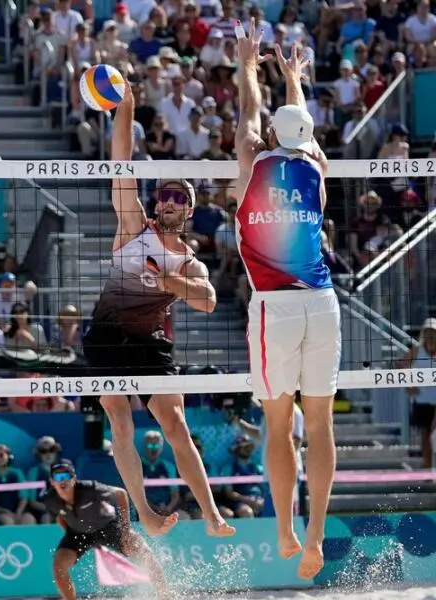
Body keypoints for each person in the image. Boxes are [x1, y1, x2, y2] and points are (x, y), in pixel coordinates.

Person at [81, 82, 234, 539]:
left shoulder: (189, 260)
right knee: (119, 416)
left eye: (179, 197)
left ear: (188, 210)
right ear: (156, 203)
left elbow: (208, 301)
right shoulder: (133, 229)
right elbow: (121, 164)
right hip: (107, 336)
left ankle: (210, 514)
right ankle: (145, 511)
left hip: (151, 342)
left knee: (175, 422)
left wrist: (169, 281)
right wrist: (124, 108)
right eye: (164, 195)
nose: (169, 201)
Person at [233, 21, 340, 580]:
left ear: (273, 137)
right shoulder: (316, 169)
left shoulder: (251, 162)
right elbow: (303, 132)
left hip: (273, 305)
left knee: (280, 426)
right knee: (319, 423)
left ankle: (284, 531)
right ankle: (317, 535)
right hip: (322, 300)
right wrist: (294, 79)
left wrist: (250, 65)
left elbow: (249, 116)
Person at [42, 460, 170, 600]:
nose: (62, 481)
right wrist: (70, 534)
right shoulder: (50, 500)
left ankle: (165, 595)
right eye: (58, 477)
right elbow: (59, 517)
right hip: (78, 533)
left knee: (144, 552)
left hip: (108, 527)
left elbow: (121, 494)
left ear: (74, 478)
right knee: (58, 567)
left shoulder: (91, 489)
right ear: (52, 482)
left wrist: (125, 529)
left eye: (66, 476)